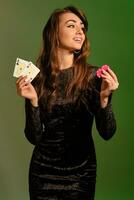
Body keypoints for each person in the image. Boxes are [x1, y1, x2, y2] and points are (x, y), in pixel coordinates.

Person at [16, 6, 119, 200]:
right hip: (42, 173)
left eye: (82, 27)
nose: (80, 31)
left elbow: (107, 133)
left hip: (80, 174)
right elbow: (34, 137)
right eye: (71, 25)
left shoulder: (94, 77)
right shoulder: (36, 79)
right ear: (54, 33)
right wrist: (33, 102)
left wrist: (105, 99)